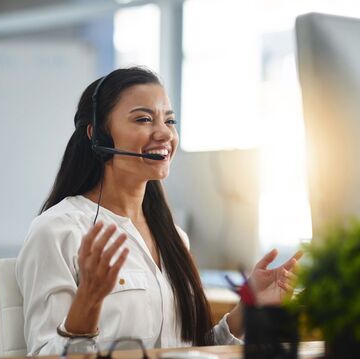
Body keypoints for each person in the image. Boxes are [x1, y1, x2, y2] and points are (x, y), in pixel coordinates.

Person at [15, 66, 302, 355]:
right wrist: (87, 303)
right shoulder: (58, 230)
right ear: (98, 135)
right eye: (143, 119)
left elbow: (191, 350)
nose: (164, 133)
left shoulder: (173, 237)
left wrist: (248, 307)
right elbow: (45, 354)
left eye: (170, 120)